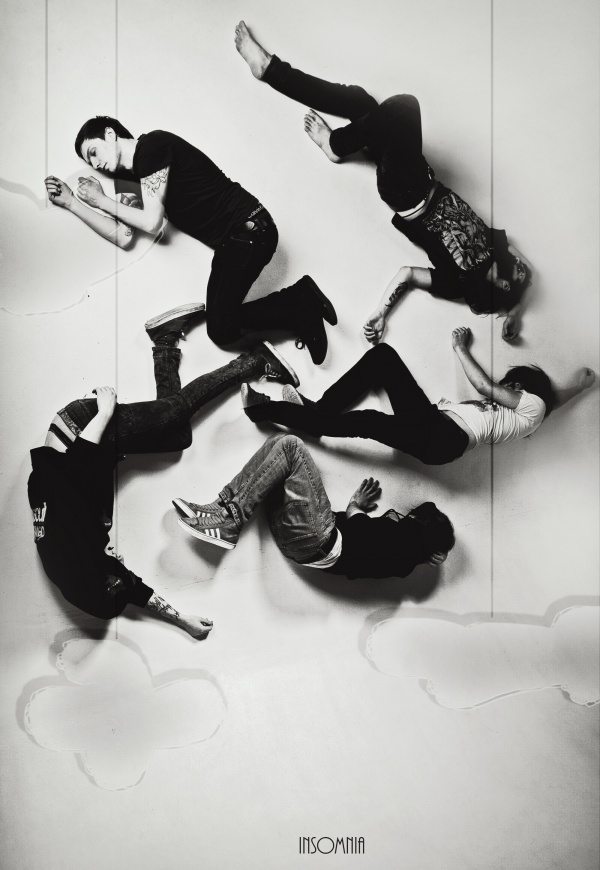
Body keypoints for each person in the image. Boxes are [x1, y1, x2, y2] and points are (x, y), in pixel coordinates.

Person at [234, 21, 532, 343]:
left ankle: (334, 143)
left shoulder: (460, 284)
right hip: (420, 172)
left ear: (504, 285)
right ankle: (270, 70)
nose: (519, 265)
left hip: (404, 194)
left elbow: (408, 275)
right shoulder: (495, 245)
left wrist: (380, 313)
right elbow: (531, 275)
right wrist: (516, 311)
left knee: (404, 105)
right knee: (359, 101)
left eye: (516, 273)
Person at [28, 303, 300, 633]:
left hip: (81, 430)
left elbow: (73, 466)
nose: (119, 562)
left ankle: (255, 361)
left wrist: (104, 411)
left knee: (177, 411)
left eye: (115, 573)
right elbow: (136, 592)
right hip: (88, 443)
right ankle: (164, 340)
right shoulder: (75, 567)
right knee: (177, 436)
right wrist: (182, 620)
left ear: (96, 578)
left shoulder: (77, 548)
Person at [43, 113, 337, 363]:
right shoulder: (135, 180)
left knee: (221, 326)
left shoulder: (152, 147)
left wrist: (101, 200)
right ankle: (300, 303)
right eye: (89, 161)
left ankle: (300, 302)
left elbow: (152, 221)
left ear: (110, 134)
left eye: (94, 152)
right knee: (220, 328)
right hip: (231, 242)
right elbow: (124, 236)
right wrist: (73, 203)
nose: (95, 164)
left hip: (249, 227)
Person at [240, 329, 596, 465]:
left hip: (442, 437)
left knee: (365, 421)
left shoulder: (534, 407)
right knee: (383, 358)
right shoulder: (533, 412)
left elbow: (487, 387)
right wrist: (579, 387)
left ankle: (268, 409)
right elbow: (554, 400)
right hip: (432, 425)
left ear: (529, 390)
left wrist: (459, 347)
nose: (511, 390)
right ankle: (316, 414)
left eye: (516, 386)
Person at [173, 434, 454, 579]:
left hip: (318, 539)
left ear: (418, 526)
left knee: (291, 447)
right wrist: (432, 552)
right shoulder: (405, 560)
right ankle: (220, 510)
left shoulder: (404, 540)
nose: (400, 515)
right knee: (277, 445)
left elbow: (359, 526)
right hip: (296, 545)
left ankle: (229, 520)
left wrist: (355, 504)